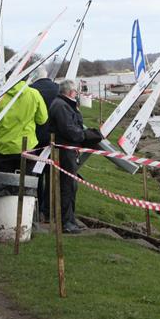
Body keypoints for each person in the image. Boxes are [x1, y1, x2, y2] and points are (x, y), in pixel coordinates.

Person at [48, 79, 103, 234]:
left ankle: (70, 219)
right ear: (71, 92)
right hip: (64, 152)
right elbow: (70, 130)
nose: (77, 94)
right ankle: (66, 222)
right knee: (67, 186)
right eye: (76, 92)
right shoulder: (61, 106)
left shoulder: (63, 104)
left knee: (72, 186)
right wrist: (87, 135)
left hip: (68, 151)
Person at [0, 76, 48, 173]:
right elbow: (42, 119)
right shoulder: (34, 93)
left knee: (2, 184)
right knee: (25, 183)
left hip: (3, 146)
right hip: (27, 146)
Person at [29, 67, 59, 221]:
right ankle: (48, 209)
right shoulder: (57, 88)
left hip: (36, 138)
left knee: (36, 174)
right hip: (54, 138)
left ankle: (37, 205)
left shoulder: (31, 90)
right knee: (52, 174)